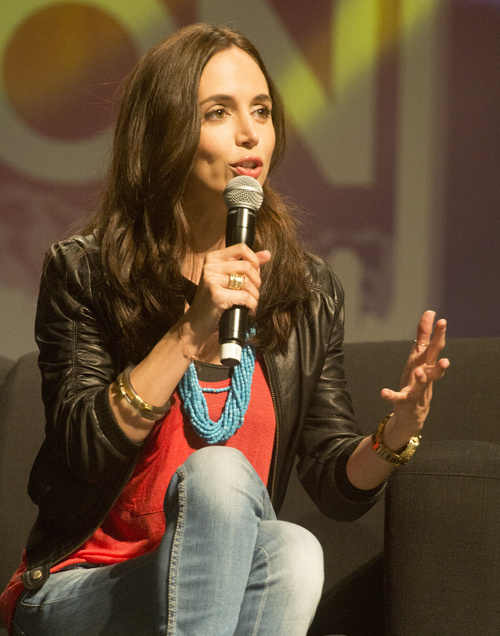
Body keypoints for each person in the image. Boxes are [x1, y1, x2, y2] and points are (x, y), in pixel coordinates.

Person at [0, 23, 449, 636]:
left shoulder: (305, 289)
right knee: (219, 472)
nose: (250, 134)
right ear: (166, 133)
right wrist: (191, 329)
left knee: (294, 551)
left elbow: (335, 485)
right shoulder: (88, 272)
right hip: (85, 587)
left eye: (261, 111)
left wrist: (396, 435)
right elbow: (81, 449)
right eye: (219, 112)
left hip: (224, 580)